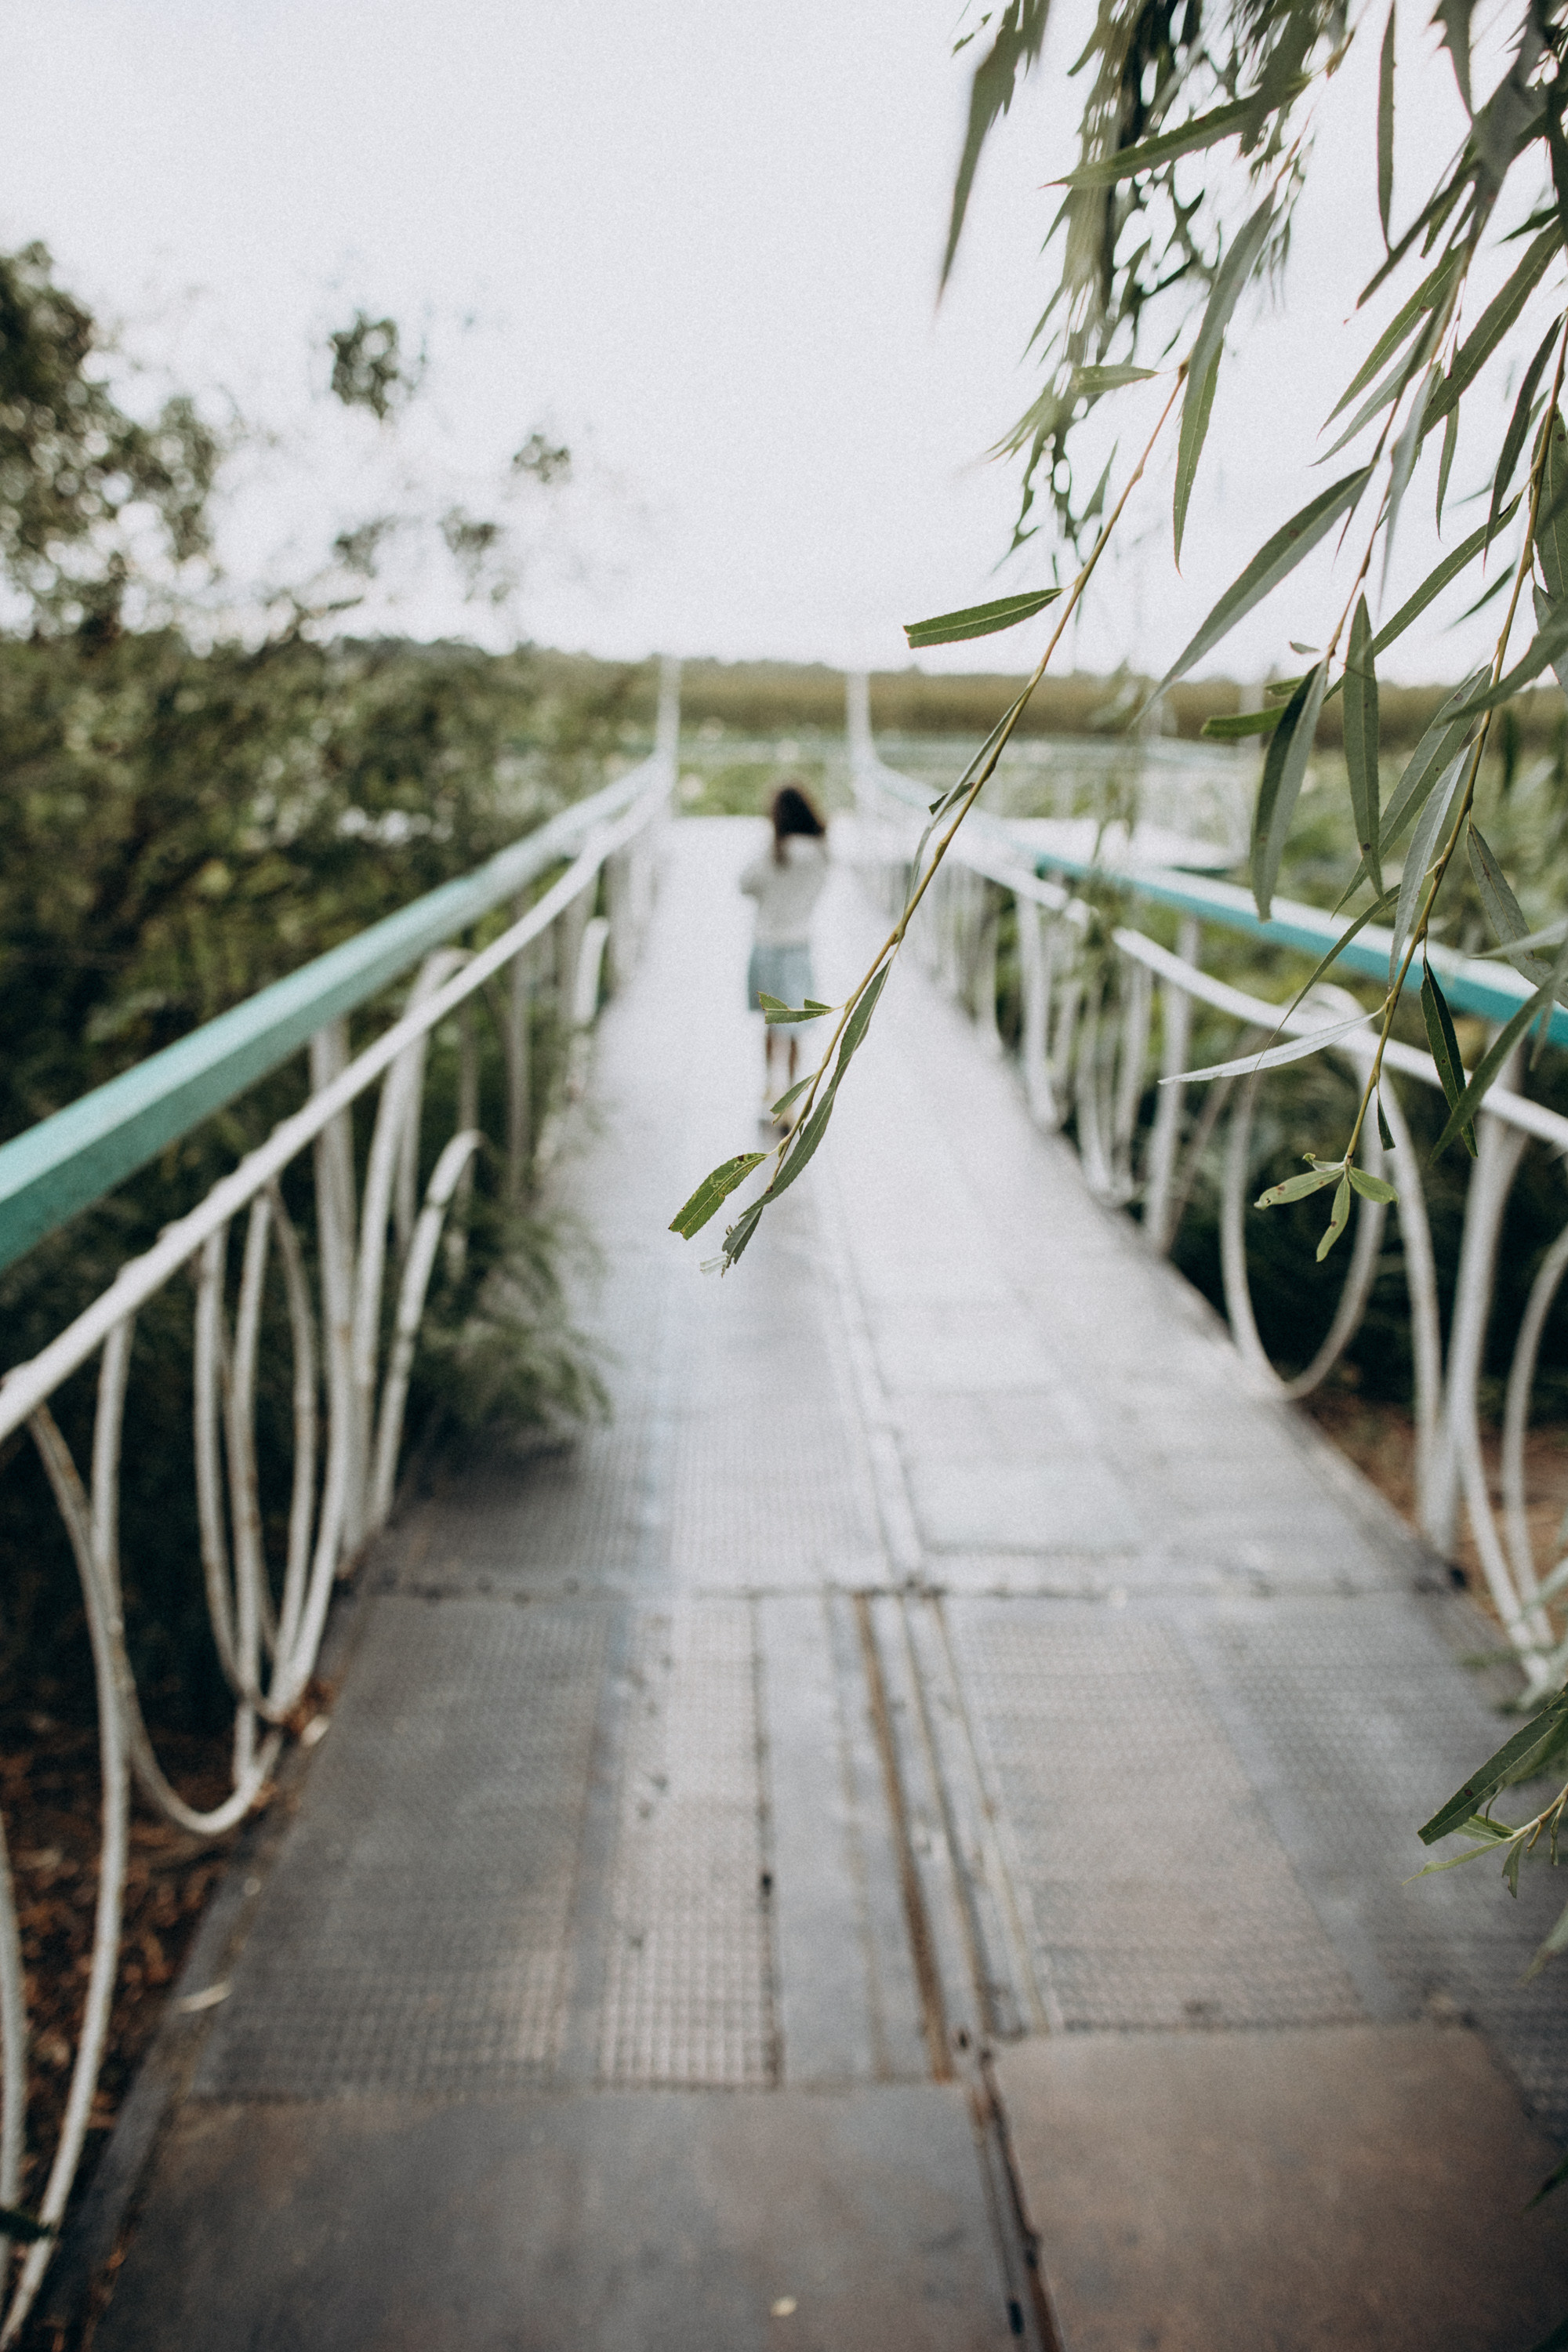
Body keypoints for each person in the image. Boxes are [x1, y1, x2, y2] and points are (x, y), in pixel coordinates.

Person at [740, 782, 829, 1123]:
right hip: (798, 948)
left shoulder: (775, 852)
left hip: (767, 946)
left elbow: (745, 884)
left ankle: (768, 1088)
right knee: (793, 1029)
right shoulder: (820, 853)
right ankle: (790, 1097)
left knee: (771, 1025)